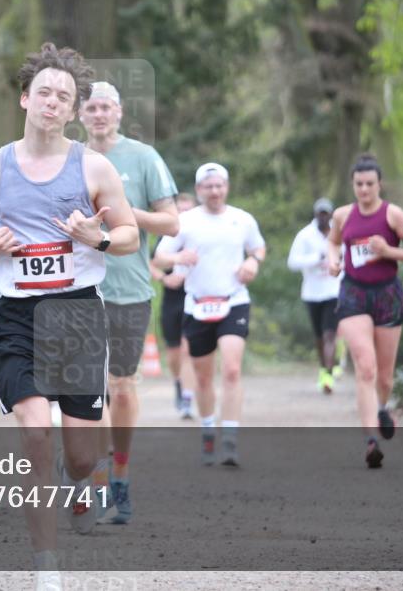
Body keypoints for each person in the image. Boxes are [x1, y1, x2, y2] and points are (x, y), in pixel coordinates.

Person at [0, 43, 139, 583]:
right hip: (17, 315)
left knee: (82, 456)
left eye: (64, 96)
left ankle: (80, 478)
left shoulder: (95, 167)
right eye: (45, 92)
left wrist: (100, 237)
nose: (53, 102)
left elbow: (130, 235)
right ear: (25, 98)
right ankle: (46, 566)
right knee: (35, 436)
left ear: (73, 108)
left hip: (79, 316)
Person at [78, 81, 179, 525]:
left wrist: (125, 211)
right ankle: (97, 484)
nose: (99, 114)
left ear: (119, 112)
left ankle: (120, 473)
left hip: (130, 289)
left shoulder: (142, 158)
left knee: (120, 387)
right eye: (92, 107)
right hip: (77, 290)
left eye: (107, 107)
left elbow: (172, 224)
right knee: (87, 392)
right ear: (80, 115)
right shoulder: (66, 159)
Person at [154, 163, 265, 467]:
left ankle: (229, 438)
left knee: (230, 369)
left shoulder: (242, 220)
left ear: (226, 187)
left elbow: (258, 248)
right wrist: (178, 257)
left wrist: (253, 263)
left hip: (234, 302)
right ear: (199, 189)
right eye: (208, 186)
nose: (215, 191)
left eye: (220, 185)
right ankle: (207, 429)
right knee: (203, 378)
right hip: (198, 305)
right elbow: (160, 256)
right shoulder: (185, 222)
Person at [326, 154, 403, 469]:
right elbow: (333, 242)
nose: (364, 190)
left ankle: (382, 406)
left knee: (383, 376)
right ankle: (371, 440)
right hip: (354, 293)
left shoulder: (394, 215)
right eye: (359, 184)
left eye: (370, 184)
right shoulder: (343, 215)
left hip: (387, 295)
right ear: (353, 185)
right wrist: (332, 259)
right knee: (365, 368)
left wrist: (388, 251)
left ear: (379, 184)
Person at [149, 193, 198, 419]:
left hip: (195, 297)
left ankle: (187, 397)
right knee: (174, 350)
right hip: (172, 298)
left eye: (190, 210)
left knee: (189, 348)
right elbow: (151, 262)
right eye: (182, 210)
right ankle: (179, 383)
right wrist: (164, 278)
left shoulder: (200, 235)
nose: (186, 214)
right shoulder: (167, 237)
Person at [287, 197, 342, 394]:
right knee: (319, 336)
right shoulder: (305, 236)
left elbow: (347, 257)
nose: (323, 217)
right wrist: (316, 258)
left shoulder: (340, 231)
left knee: (330, 334)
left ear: (331, 214)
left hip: (334, 291)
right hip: (312, 293)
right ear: (315, 214)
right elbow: (292, 262)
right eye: (320, 213)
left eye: (327, 213)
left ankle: (328, 376)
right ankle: (323, 369)